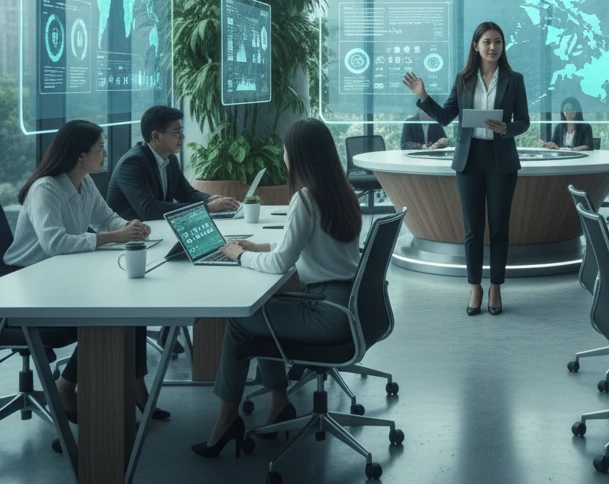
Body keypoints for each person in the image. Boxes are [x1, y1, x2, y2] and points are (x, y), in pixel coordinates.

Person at [193, 117, 363, 457]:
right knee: (262, 315)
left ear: (298, 156)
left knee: (243, 321)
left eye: (286, 150)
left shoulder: (306, 198)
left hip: (326, 313)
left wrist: (240, 256)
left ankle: (228, 419)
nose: (283, 156)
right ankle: (279, 402)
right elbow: (309, 247)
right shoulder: (341, 191)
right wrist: (258, 248)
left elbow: (280, 265)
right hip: (348, 308)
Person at [3, 120, 167, 422]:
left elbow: (106, 219)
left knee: (132, 308)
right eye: (100, 148)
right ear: (80, 155)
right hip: (28, 285)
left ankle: (134, 386)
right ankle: (67, 387)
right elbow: (54, 243)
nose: (105, 153)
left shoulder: (84, 182)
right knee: (111, 316)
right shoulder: (45, 189)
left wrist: (129, 227)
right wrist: (113, 237)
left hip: (61, 277)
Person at [402, 21, 530, 316]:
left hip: (501, 160)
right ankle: (475, 287)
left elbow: (524, 121)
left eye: (498, 41)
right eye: (486, 42)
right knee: (473, 230)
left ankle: (496, 286)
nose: (492, 47)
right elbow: (446, 117)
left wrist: (506, 127)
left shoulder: (514, 79)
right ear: (476, 46)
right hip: (469, 160)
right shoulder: (463, 80)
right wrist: (423, 95)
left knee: (499, 229)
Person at [105, 106, 240, 221]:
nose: (182, 137)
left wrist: (212, 199)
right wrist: (206, 207)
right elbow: (149, 210)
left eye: (181, 131)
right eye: (176, 132)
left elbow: (186, 193)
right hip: (130, 238)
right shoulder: (132, 164)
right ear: (156, 137)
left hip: (156, 230)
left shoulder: (170, 159)